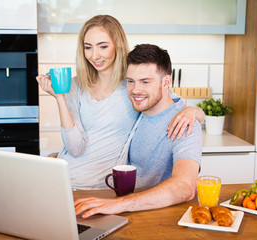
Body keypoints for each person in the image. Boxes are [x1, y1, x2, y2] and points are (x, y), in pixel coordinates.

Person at [36, 15, 204, 190]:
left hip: (100, 187)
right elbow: (75, 147)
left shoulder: (133, 86)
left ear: (118, 45)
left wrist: (194, 112)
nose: (95, 55)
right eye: (88, 47)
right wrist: (59, 98)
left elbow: (170, 102)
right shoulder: (76, 85)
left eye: (103, 46)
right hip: (62, 178)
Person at [74, 44, 202, 217]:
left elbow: (185, 186)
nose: (135, 90)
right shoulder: (137, 110)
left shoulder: (184, 124)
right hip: (124, 209)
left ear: (166, 82)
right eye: (131, 81)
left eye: (145, 82)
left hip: (159, 217)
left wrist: (121, 204)